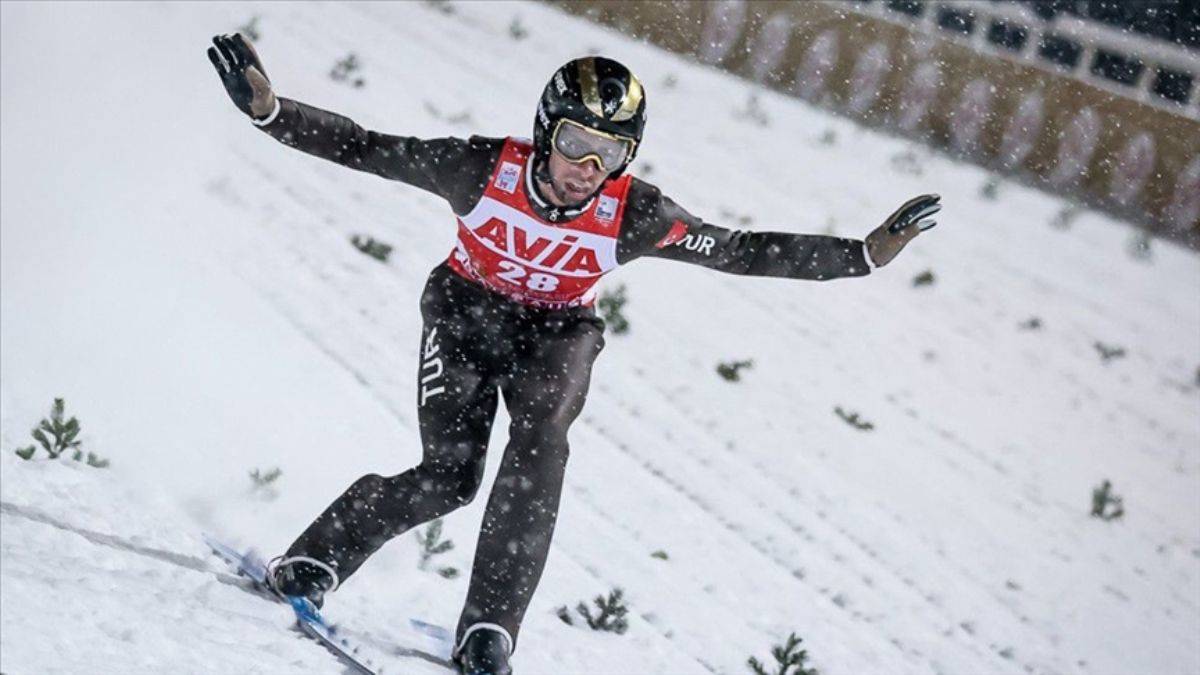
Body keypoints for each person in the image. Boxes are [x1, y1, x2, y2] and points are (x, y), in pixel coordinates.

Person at [207, 33, 940, 675]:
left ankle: (490, 628)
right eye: (575, 145)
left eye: (609, 154)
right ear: (543, 132)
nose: (587, 168)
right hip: (465, 314)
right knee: (449, 477)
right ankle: (318, 556)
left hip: (554, 337)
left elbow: (738, 250)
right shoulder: (479, 169)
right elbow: (368, 148)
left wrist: (864, 255)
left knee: (539, 451)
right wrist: (272, 112)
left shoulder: (635, 213)